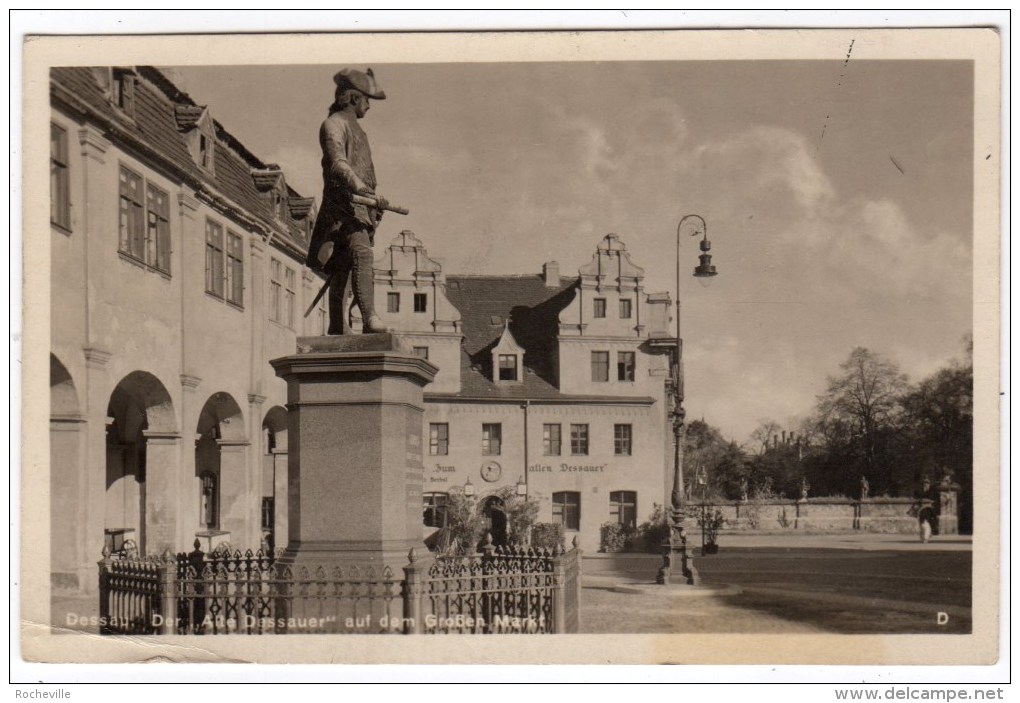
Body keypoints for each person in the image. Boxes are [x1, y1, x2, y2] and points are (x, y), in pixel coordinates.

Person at [305, 67, 391, 334]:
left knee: (342, 267)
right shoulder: (333, 124)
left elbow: (364, 170)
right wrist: (361, 189)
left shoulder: (358, 131)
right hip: (342, 207)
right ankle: (369, 318)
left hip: (360, 207)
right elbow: (338, 163)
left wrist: (375, 204)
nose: (369, 106)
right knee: (361, 253)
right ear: (353, 98)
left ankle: (337, 325)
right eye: (367, 99)